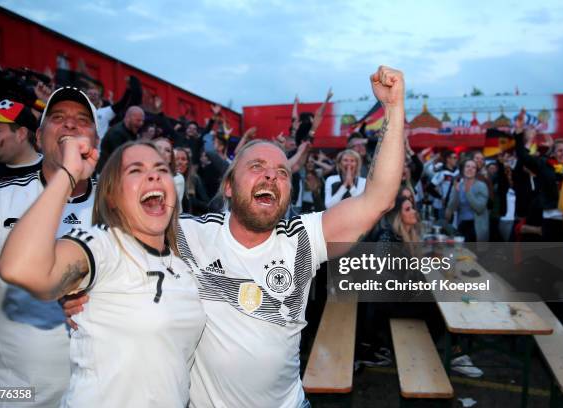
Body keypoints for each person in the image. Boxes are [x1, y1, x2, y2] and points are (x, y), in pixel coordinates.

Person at [65, 66, 406, 408]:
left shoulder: (302, 239)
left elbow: (378, 199)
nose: (271, 175)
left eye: (282, 172)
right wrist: (76, 287)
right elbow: (100, 245)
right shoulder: (188, 236)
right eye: (256, 167)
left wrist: (393, 108)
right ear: (228, 186)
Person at [0, 139, 206, 407]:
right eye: (135, 170)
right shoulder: (104, 245)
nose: (154, 174)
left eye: (162, 169)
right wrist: (68, 174)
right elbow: (20, 268)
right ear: (112, 196)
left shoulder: (183, 267)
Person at [0, 87, 99, 407]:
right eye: (58, 118)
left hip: (96, 395)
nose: (70, 124)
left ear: (96, 141)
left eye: (82, 120)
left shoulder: (120, 209)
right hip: (12, 396)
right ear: (39, 138)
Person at [445, 159, 489, 242]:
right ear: (463, 169)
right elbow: (451, 208)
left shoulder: (481, 186)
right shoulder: (459, 185)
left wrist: (468, 192)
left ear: (476, 171)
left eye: (473, 167)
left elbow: (479, 208)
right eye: (467, 166)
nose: (470, 169)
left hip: (476, 228)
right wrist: (456, 192)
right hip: (461, 225)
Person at [97, 105, 145, 172]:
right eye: (138, 120)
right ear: (128, 118)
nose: (141, 124)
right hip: (107, 173)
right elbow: (121, 157)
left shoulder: (132, 130)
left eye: (142, 121)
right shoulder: (116, 133)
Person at [153, 136, 185, 213]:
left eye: (167, 150)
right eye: (158, 148)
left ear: (171, 158)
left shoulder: (177, 178)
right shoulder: (139, 176)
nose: (162, 152)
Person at [175, 147, 210, 215]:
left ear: (187, 164)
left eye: (183, 159)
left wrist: (191, 200)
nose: (180, 162)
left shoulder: (194, 179)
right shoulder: (167, 180)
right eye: (176, 159)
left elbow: (207, 205)